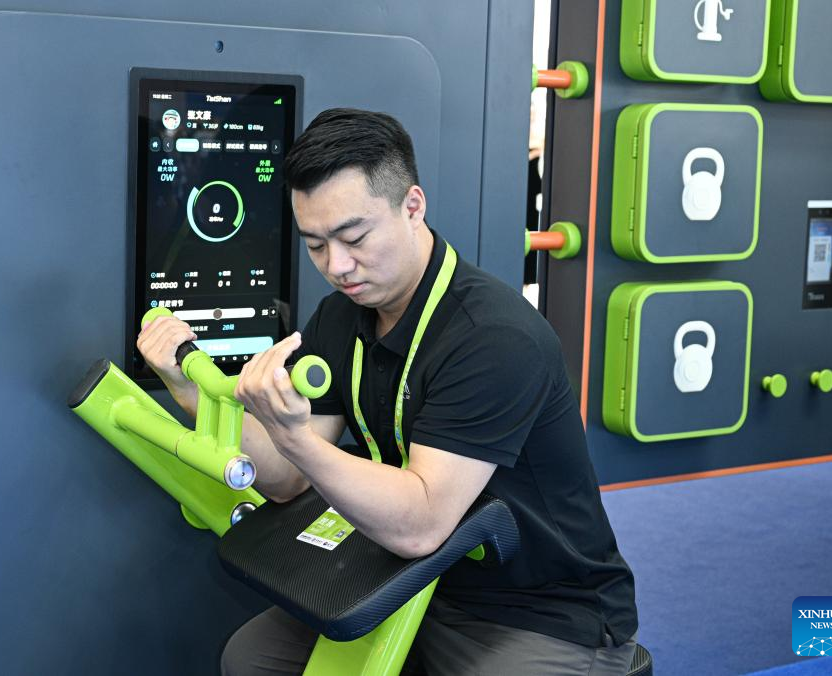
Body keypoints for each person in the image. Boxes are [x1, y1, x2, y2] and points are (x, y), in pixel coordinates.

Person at [137, 108, 638, 675]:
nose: (338, 265)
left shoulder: (493, 337)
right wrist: (188, 390)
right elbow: (286, 479)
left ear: (413, 207)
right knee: (251, 660)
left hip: (536, 609)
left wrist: (296, 438)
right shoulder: (340, 317)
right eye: (316, 245)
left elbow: (421, 523)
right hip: (412, 581)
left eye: (354, 238)